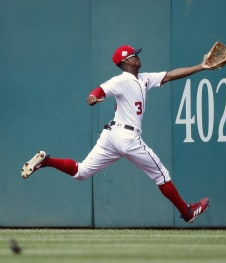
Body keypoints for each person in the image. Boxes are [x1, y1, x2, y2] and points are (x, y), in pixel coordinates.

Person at [21, 44, 212, 223]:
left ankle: (47, 161)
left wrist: (201, 66)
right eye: (134, 55)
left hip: (111, 136)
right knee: (162, 175)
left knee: (81, 172)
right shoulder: (121, 80)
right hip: (126, 137)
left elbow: (170, 75)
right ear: (127, 61)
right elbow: (101, 89)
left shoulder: (144, 78)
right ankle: (186, 212)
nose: (138, 56)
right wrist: (94, 97)